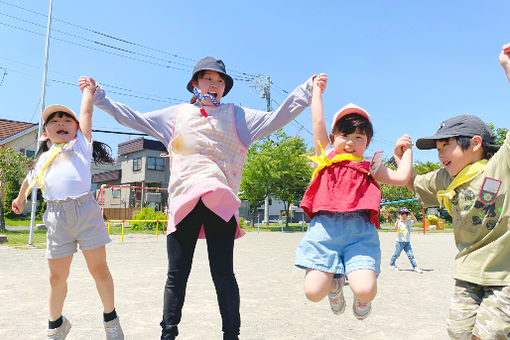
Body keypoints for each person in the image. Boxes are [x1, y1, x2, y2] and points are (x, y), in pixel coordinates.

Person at [83, 56, 315, 340]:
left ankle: (232, 335)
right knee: (176, 275)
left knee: (223, 275)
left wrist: (305, 93)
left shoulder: (237, 116)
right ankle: (168, 334)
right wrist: (101, 98)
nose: (215, 85)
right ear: (194, 83)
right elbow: (136, 119)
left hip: (220, 202)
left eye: (220, 81)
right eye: (208, 79)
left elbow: (276, 117)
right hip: (184, 203)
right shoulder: (177, 115)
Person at [392, 44, 510, 339]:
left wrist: (508, 69)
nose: (441, 153)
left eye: (448, 145)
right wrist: (402, 160)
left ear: (475, 144)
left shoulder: (500, 166)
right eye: (438, 148)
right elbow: (414, 183)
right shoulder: (444, 178)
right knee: (458, 334)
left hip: (505, 276)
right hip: (468, 274)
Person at [11, 77, 124, 340]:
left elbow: (86, 111)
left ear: (76, 128)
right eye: (54, 121)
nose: (61, 123)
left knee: (99, 270)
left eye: (66, 120)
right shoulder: (42, 159)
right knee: (56, 277)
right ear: (45, 131)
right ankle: (56, 325)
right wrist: (20, 198)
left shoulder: (82, 145)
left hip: (85, 211)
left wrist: (88, 91)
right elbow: (29, 181)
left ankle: (111, 321)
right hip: (56, 217)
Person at [295, 73, 413, 320]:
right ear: (333, 138)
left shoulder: (371, 165)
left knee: (365, 290)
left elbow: (402, 178)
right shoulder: (327, 155)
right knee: (313, 292)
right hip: (325, 230)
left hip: (360, 232)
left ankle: (361, 298)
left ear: (368, 142)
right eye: (344, 136)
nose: (350, 142)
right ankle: (334, 287)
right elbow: (317, 121)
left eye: (358, 137)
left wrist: (404, 154)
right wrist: (317, 92)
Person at [388, 207, 422, 273]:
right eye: (402, 215)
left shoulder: (409, 221)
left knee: (410, 255)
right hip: (399, 242)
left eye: (406, 215)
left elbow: (415, 222)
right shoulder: (399, 222)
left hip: (407, 242)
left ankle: (415, 267)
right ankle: (391, 264)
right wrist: (397, 222)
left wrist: (412, 215)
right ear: (399, 215)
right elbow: (396, 229)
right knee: (396, 254)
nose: (404, 217)